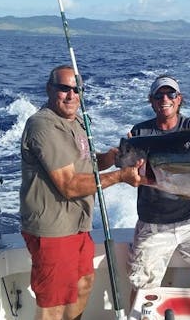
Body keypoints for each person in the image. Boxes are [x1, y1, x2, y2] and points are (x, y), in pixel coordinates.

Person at [19, 65, 146, 320]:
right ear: (49, 89)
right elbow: (69, 185)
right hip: (53, 230)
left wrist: (109, 159)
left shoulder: (76, 121)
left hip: (78, 225)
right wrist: (120, 176)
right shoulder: (43, 126)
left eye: (77, 90)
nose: (71, 95)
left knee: (85, 283)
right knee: (53, 304)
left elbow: (84, 164)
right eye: (64, 89)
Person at [127, 75, 190, 302]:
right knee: (143, 290)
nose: (165, 99)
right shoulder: (139, 134)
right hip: (153, 224)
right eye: (159, 95)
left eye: (171, 94)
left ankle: (177, 312)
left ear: (179, 99)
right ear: (151, 101)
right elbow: (126, 170)